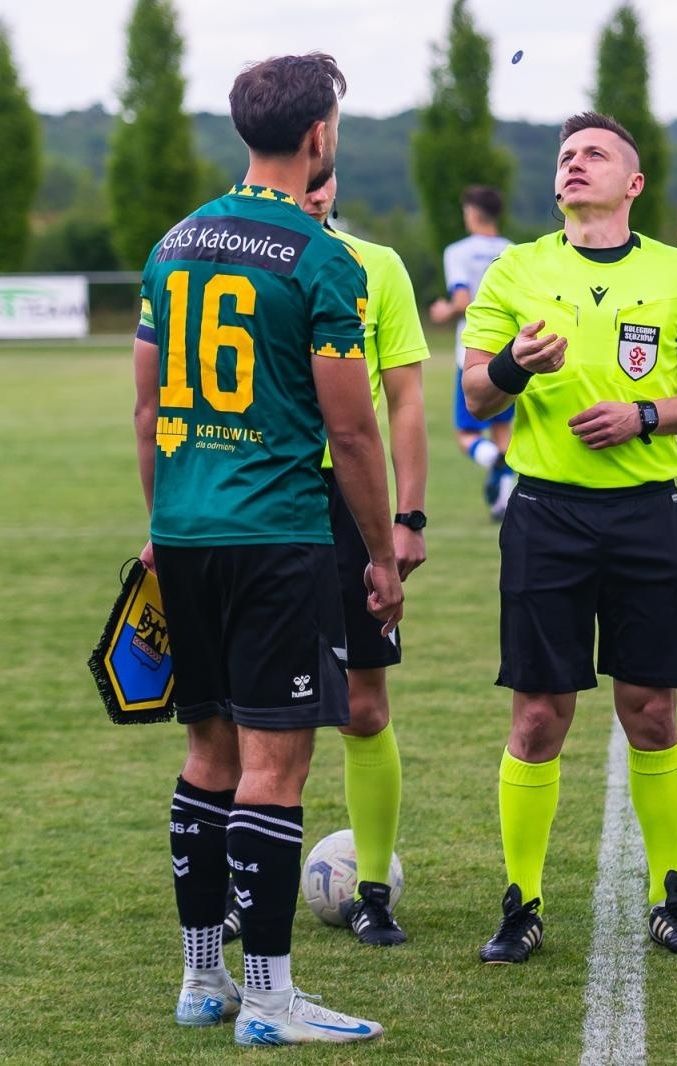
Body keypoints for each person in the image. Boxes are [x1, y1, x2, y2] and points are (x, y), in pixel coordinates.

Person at [132, 52, 403, 1046]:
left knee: (207, 754)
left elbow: (148, 404)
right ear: (319, 135)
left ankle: (202, 982)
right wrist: (379, 553)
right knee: (273, 771)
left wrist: (164, 520)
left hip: (188, 532)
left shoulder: (173, 244)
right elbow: (356, 430)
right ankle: (272, 998)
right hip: (280, 535)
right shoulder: (323, 257)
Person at [459, 111, 677, 965]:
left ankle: (671, 896)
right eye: (567, 155)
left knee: (650, 709)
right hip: (545, 515)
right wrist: (514, 367)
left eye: (595, 155)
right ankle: (522, 903)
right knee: (540, 714)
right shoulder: (516, 269)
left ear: (634, 183)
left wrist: (645, 414)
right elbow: (474, 394)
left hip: (649, 516)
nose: (576, 165)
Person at [219, 171, 429, 949]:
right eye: (300, 183)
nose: (311, 193)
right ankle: (244, 891)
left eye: (324, 182)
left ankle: (372, 888)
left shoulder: (376, 266)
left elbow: (402, 399)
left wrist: (405, 516)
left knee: (364, 709)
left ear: (335, 178)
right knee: (252, 718)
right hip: (263, 501)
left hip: (348, 506)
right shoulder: (240, 262)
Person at [431, 186, 516, 520]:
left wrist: (443, 311)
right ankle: (503, 502)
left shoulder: (458, 251)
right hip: (508, 352)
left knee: (467, 434)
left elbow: (463, 300)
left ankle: (492, 459)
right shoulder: (512, 251)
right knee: (503, 431)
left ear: (473, 213)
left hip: (472, 352)